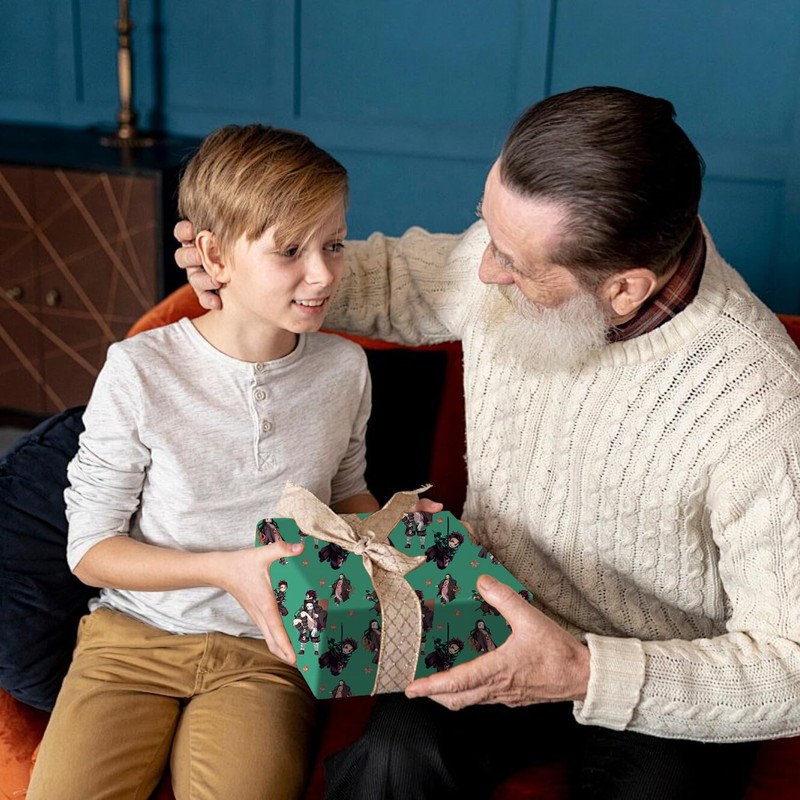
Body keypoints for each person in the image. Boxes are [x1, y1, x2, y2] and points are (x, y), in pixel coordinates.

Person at [174, 87, 800, 799]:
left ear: (624, 290)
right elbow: (390, 281)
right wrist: (248, 272)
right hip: (483, 617)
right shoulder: (519, 254)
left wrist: (583, 671)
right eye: (485, 227)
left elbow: (792, 665)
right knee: (391, 760)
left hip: (669, 678)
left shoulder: (761, 404)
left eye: (513, 262)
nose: (483, 271)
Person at [28, 123, 390, 800]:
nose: (323, 274)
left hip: (268, 650)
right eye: (290, 250)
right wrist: (225, 569)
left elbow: (345, 492)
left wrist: (394, 537)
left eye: (334, 244)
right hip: (130, 640)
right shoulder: (140, 370)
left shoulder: (345, 368)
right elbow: (90, 550)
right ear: (215, 256)